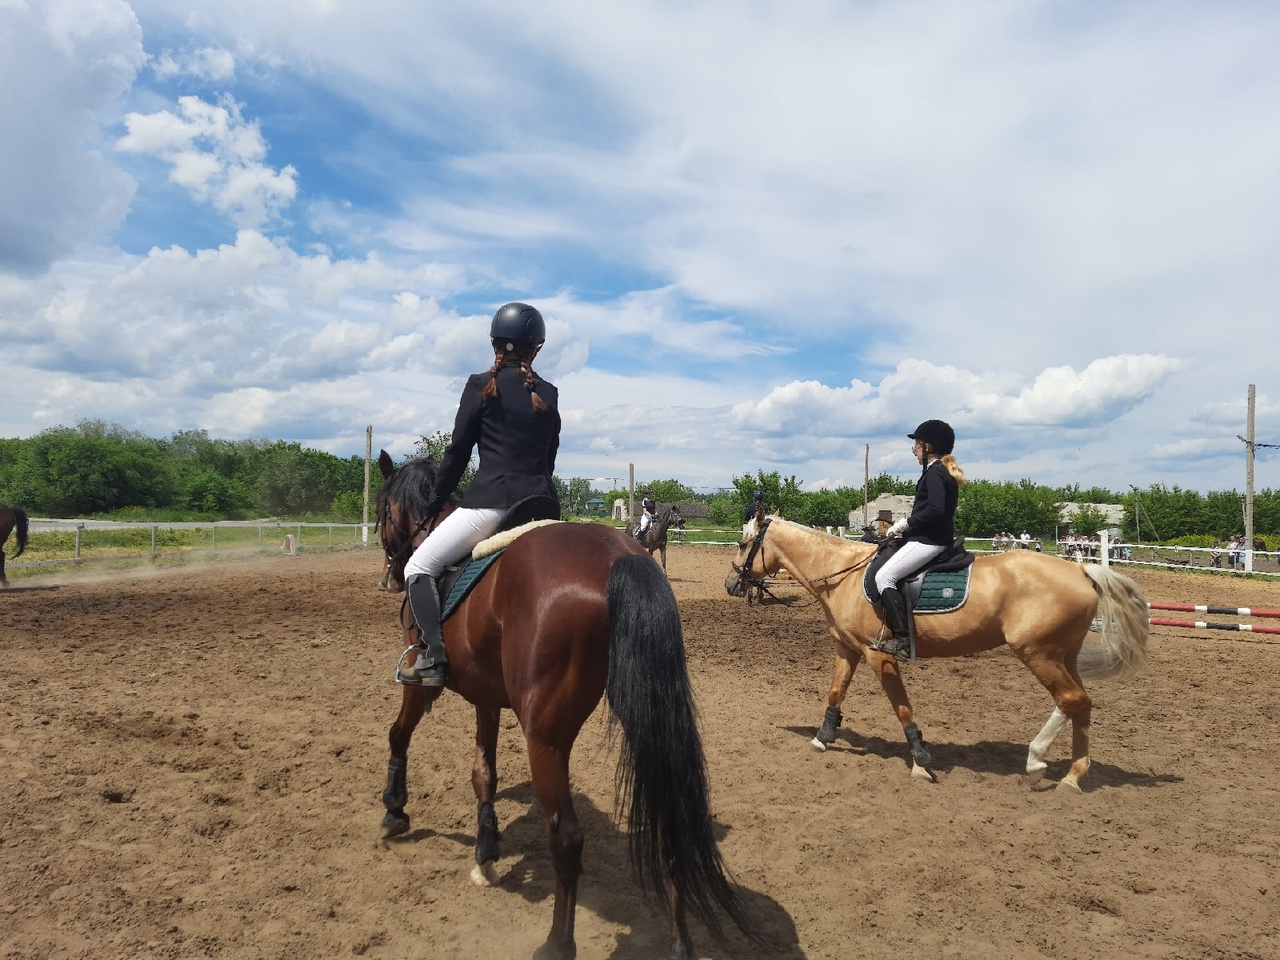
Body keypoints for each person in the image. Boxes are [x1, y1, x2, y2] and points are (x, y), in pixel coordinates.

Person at [397, 303, 561, 686]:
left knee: (417, 568)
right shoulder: (549, 393)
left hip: (490, 506)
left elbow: (457, 453)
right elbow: (549, 457)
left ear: (494, 343)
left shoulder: (478, 386)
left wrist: (436, 500)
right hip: (541, 508)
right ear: (536, 348)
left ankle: (433, 659)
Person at [868, 419, 965, 662]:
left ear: (928, 447)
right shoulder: (939, 471)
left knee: (884, 577)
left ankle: (902, 641)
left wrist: (907, 523)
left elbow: (935, 510)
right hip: (927, 537)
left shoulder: (935, 473)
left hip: (929, 541)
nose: (915, 450)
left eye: (917, 445)